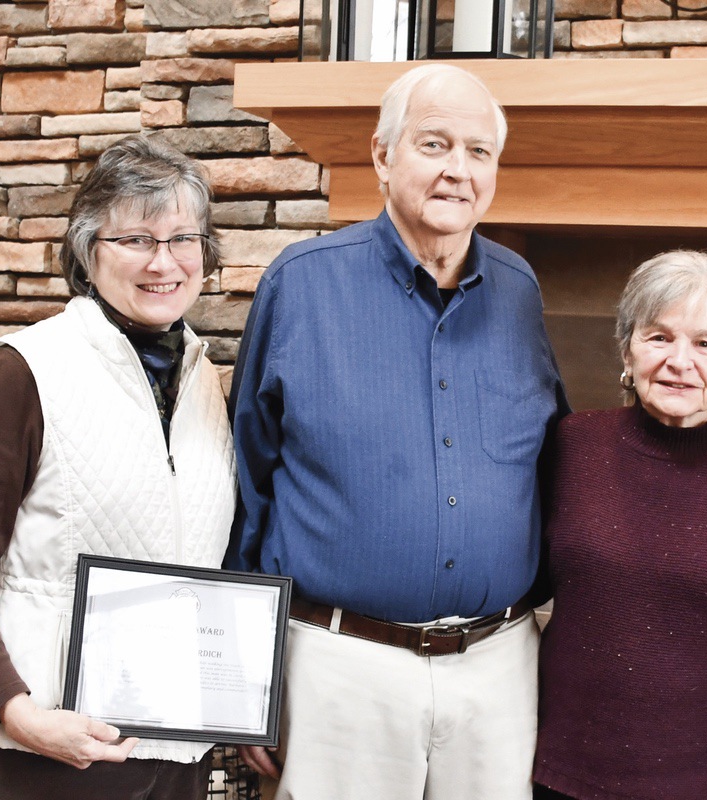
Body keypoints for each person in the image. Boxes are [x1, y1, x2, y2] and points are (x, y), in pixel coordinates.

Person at [227, 63, 566, 800]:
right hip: (341, 669)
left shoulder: (520, 291)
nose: (458, 171)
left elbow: (547, 462)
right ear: (382, 156)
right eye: (434, 144)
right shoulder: (302, 283)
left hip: (498, 666)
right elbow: (246, 487)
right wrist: (246, 686)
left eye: (479, 152)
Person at [0, 135, 236, 799]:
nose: (164, 261)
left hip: (179, 757)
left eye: (183, 238)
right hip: (51, 756)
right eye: (137, 239)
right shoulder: (23, 371)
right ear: (89, 252)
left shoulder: (209, 386)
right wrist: (18, 712)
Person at [533, 250, 707, 800]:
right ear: (627, 350)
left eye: (704, 344)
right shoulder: (572, 446)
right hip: (561, 776)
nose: (679, 361)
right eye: (659, 337)